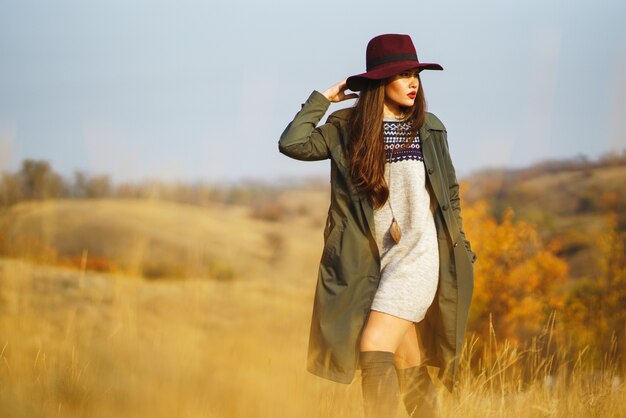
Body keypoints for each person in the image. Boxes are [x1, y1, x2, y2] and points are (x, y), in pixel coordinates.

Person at [278, 33, 476, 418]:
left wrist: (460, 245)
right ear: (379, 81)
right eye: (403, 74)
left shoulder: (429, 128)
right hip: (371, 262)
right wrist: (323, 98)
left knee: (373, 345)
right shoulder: (348, 127)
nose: (413, 82)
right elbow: (293, 143)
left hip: (418, 255)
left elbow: (449, 192)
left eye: (416, 73)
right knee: (406, 357)